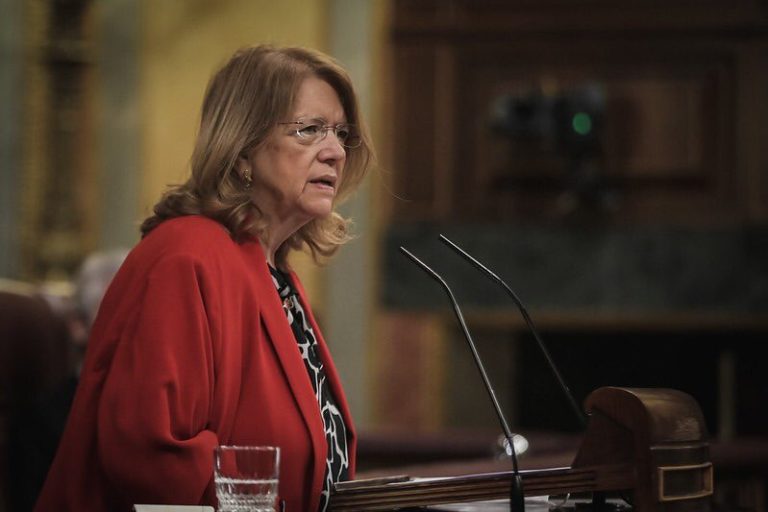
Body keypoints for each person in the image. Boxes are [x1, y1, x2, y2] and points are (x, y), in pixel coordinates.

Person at [35, 44, 375, 512]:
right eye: (309, 130)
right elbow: (154, 460)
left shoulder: (273, 273)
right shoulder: (186, 258)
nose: (335, 151)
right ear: (242, 151)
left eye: (340, 133)